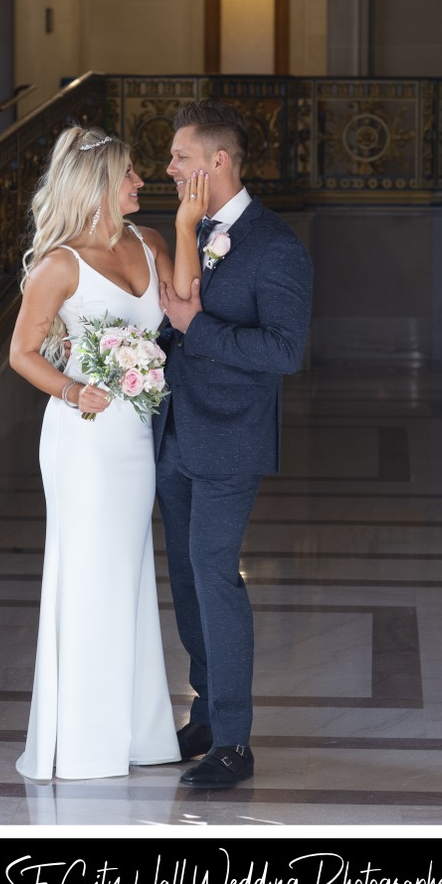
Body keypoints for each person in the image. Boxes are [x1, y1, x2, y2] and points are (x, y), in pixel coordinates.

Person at [9, 124, 182, 780]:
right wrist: (73, 389)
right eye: (131, 174)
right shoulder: (60, 263)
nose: (141, 182)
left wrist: (192, 223)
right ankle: (80, 746)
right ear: (102, 184)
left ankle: (137, 736)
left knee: (129, 575)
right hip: (81, 442)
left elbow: (184, 307)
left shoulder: (150, 241)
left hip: (134, 437)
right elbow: (21, 354)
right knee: (85, 580)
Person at [154, 99, 313, 788]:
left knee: (214, 574)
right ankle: (207, 713)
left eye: (180, 157)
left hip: (230, 438)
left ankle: (235, 745)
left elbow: (284, 352)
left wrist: (195, 327)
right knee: (187, 579)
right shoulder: (190, 228)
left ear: (217, 162)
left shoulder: (276, 246)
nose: (168, 168)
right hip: (175, 431)